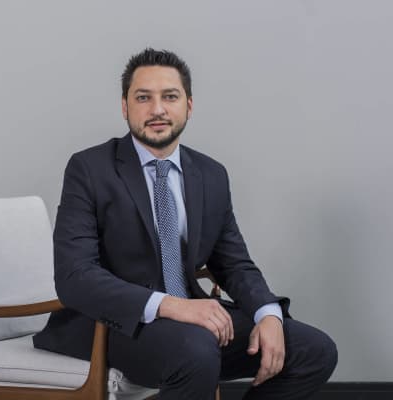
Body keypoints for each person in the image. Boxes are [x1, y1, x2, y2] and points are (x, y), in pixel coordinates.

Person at [34, 48, 337, 399]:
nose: (157, 109)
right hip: (114, 324)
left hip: (191, 322)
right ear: (125, 107)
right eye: (143, 98)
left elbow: (234, 264)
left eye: (170, 97)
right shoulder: (90, 169)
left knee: (314, 350)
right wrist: (172, 306)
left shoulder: (210, 174)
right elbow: (74, 277)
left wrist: (267, 314)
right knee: (197, 351)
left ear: (189, 106)